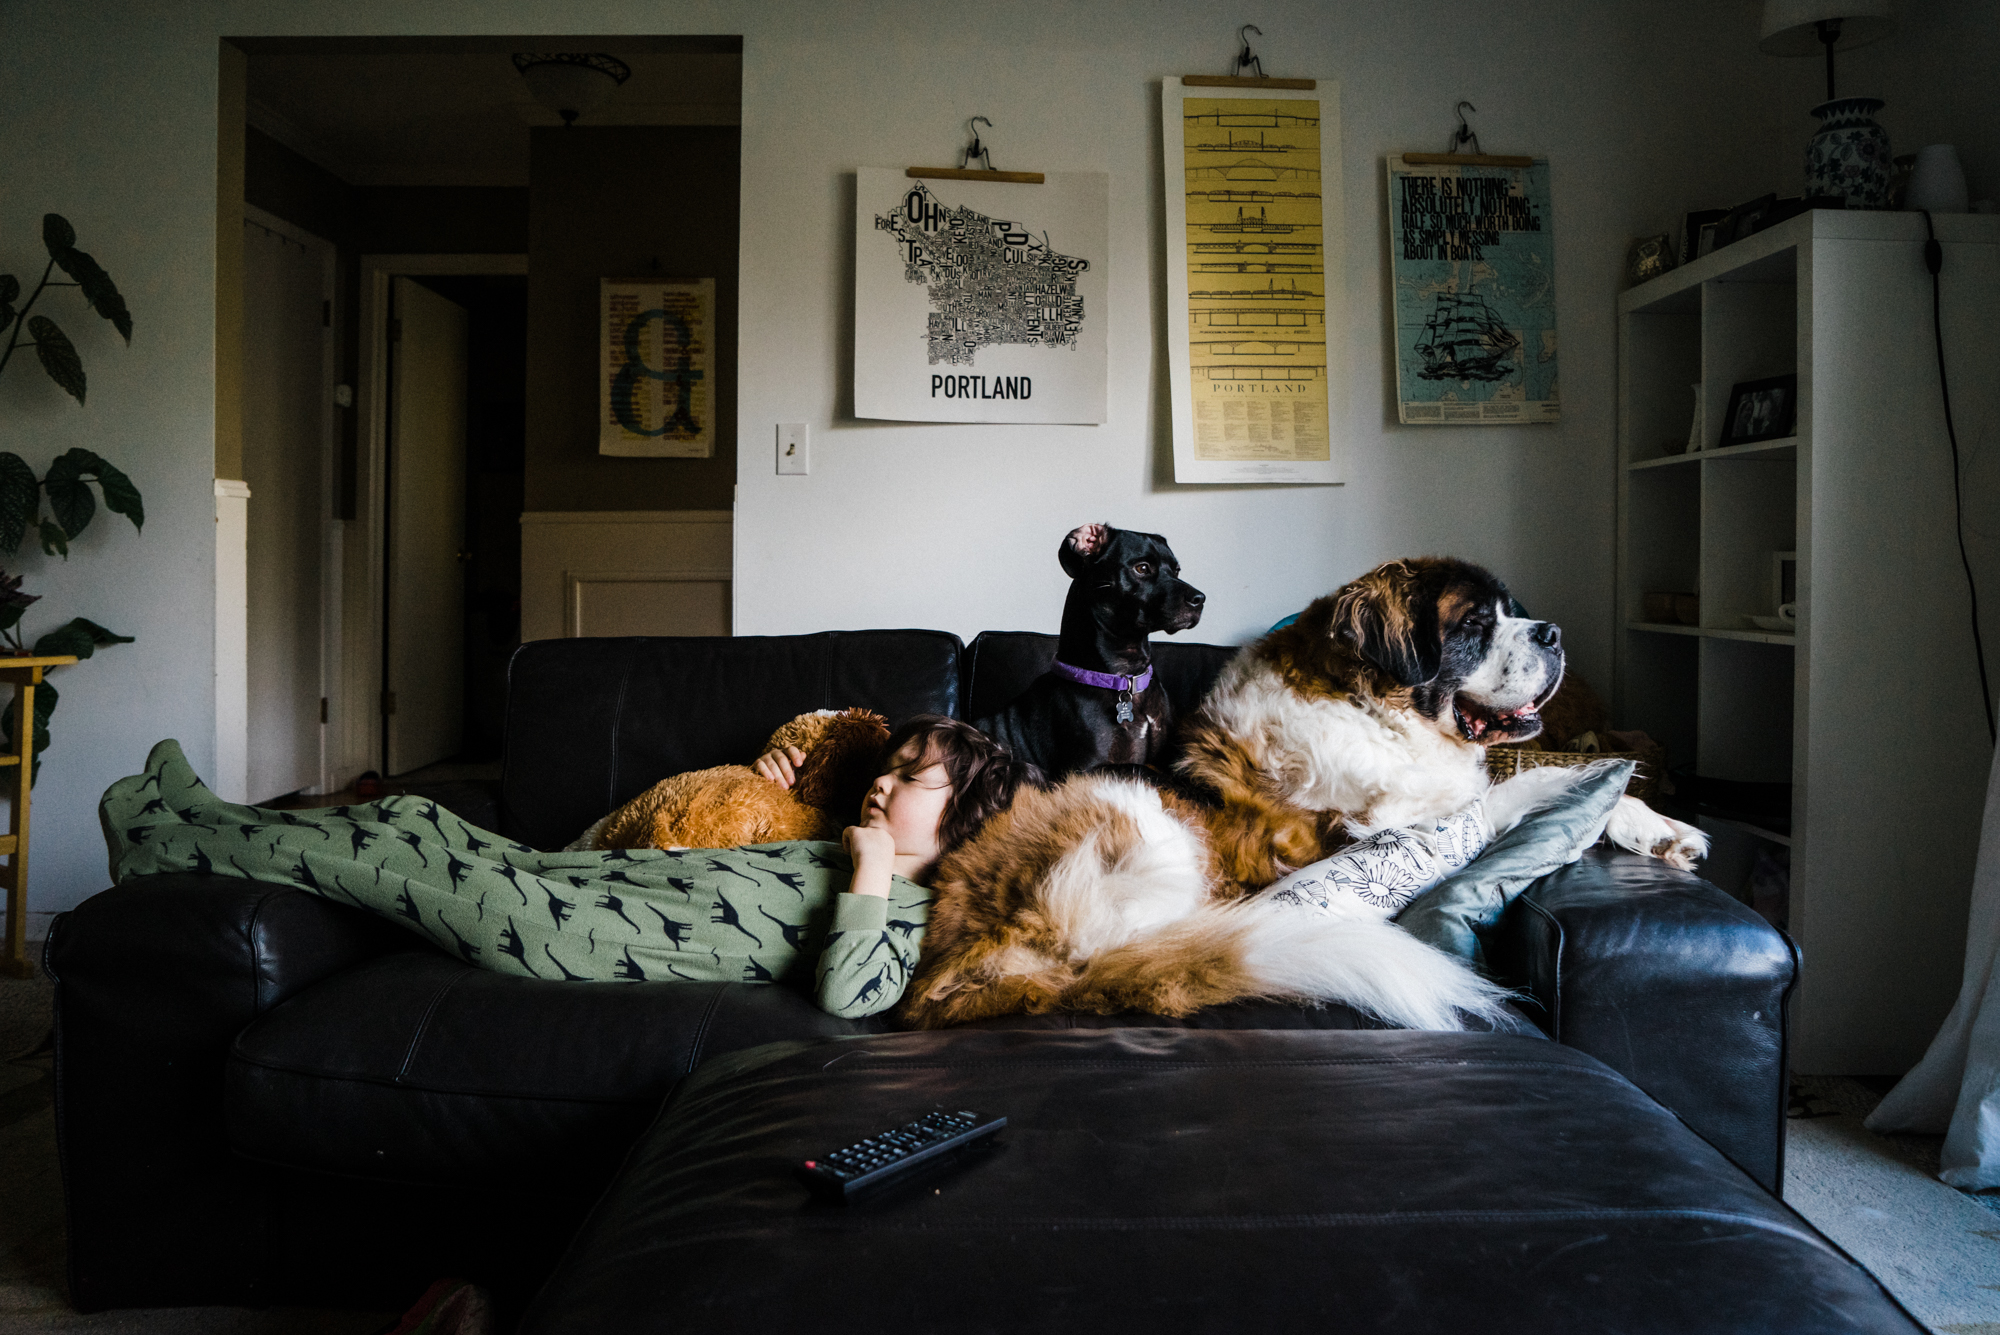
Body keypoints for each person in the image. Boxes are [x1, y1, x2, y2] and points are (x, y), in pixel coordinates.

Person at [99, 716, 1036, 1018]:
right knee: (417, 809)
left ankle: (166, 840)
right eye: (891, 764)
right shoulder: (829, 836)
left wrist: (875, 873)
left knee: (384, 852)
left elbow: (849, 993)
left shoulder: (918, 919)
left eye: (914, 779)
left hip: (569, 937)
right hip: (578, 887)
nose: (885, 781)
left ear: (963, 827)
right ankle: (211, 815)